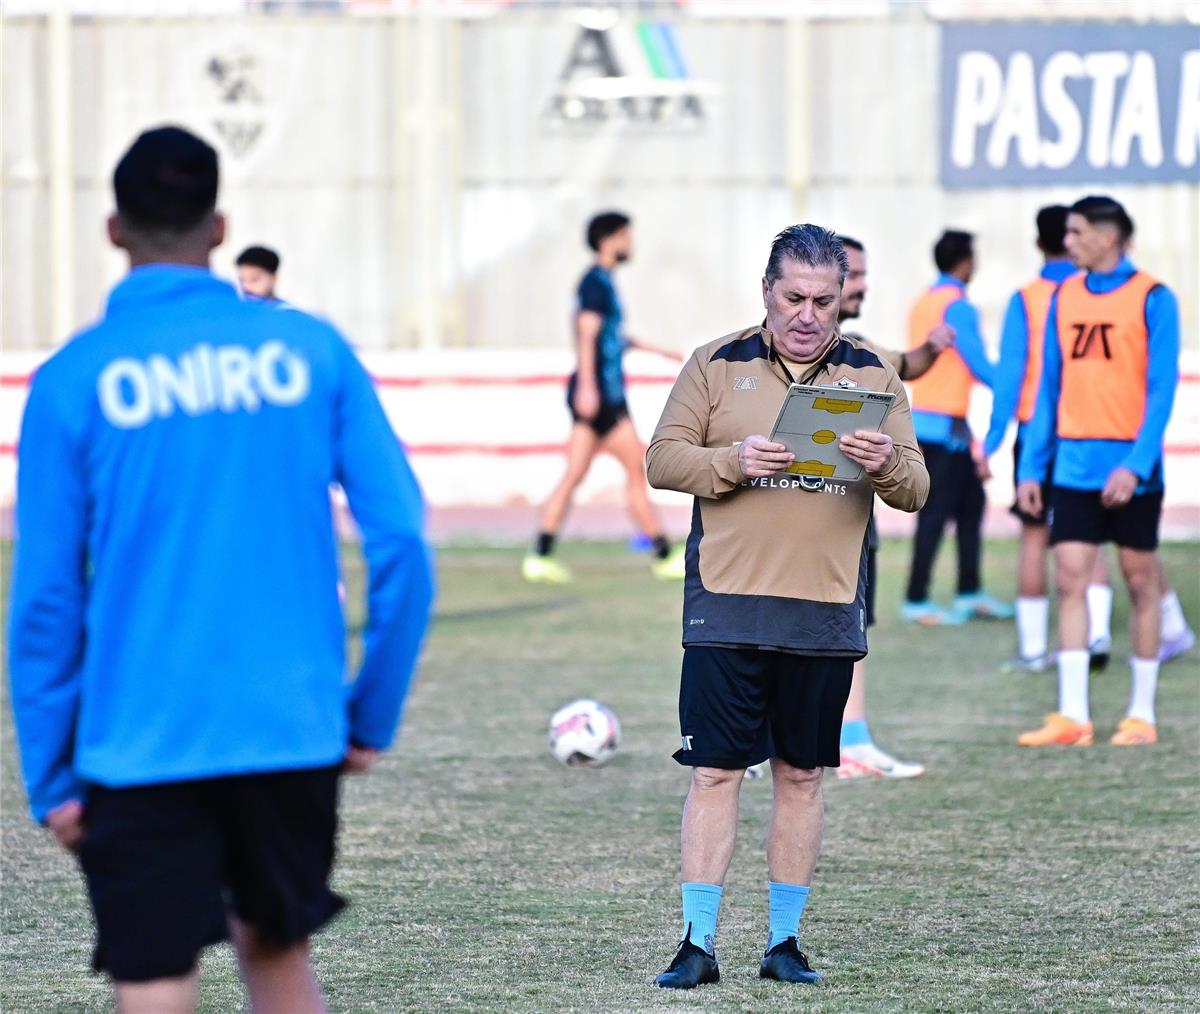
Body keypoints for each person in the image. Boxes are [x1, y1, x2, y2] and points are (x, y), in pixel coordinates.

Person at [7, 126, 436, 1013]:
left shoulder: (72, 379)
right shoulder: (310, 352)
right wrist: (366, 715)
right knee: (279, 963)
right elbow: (401, 544)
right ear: (219, 227)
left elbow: (46, 598)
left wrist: (51, 775)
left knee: (156, 984)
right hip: (289, 728)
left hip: (137, 738)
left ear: (114, 229)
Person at [645, 224, 928, 988]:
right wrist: (730, 462)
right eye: (793, 297)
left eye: (824, 300)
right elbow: (662, 458)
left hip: (824, 612)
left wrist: (886, 461)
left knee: (802, 777)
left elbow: (916, 488)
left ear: (844, 299)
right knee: (713, 774)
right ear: (766, 291)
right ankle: (696, 944)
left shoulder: (874, 375)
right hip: (726, 609)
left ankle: (784, 943)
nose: (808, 314)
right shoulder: (714, 363)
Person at [1016, 195, 1179, 748]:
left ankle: (1140, 715)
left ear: (1109, 236)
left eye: (1078, 231)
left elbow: (1160, 392)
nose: (1069, 242)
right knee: (1071, 581)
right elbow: (1048, 389)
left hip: (1133, 472)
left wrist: (1136, 466)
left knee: (1140, 583)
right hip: (1074, 466)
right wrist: (1032, 467)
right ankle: (1072, 716)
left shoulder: (1155, 298)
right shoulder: (1064, 296)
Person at [834, 235, 954, 779]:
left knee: (851, 627)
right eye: (854, 273)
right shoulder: (766, 355)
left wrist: (934, 345)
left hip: (852, 519)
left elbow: (907, 364)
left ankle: (849, 740)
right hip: (798, 524)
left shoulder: (860, 349)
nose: (863, 284)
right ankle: (832, 743)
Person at [522, 211, 684, 583]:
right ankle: (662, 553)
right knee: (636, 467)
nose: (631, 243)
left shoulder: (603, 282)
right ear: (609, 239)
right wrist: (588, 388)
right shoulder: (595, 282)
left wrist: (658, 350)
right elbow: (587, 332)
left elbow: (614, 336)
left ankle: (540, 554)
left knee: (576, 474)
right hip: (602, 396)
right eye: (626, 235)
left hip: (602, 393)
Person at [982, 206, 1078, 671]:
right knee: (1088, 539)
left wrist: (992, 441)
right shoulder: (1090, 295)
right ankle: (1091, 642)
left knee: (1035, 539)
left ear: (1039, 243)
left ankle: (1035, 650)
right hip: (1086, 431)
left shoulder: (1028, 299)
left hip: (1034, 432)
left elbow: (1009, 376)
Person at [901, 229, 1010, 626]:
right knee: (935, 513)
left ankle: (969, 592)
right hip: (944, 428)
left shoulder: (923, 301)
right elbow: (979, 364)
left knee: (971, 506)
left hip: (934, 423)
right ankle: (915, 599)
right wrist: (1020, 388)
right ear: (965, 262)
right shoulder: (958, 306)